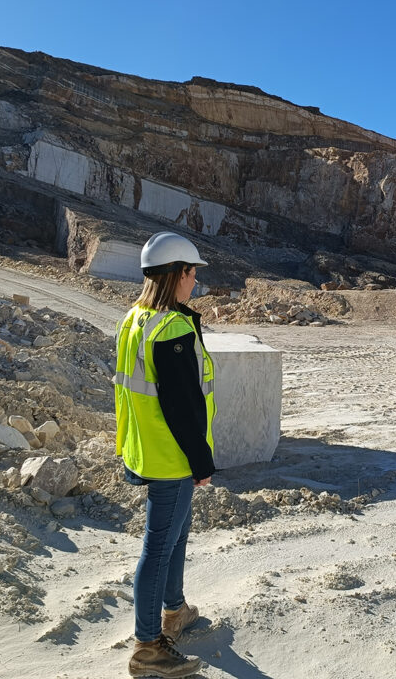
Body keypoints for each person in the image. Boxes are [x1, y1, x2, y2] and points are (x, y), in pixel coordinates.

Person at [114, 231, 216, 679]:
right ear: (177, 274)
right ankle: (147, 647)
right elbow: (181, 404)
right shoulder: (171, 328)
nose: (195, 282)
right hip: (170, 454)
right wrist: (201, 461)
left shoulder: (135, 318)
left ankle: (174, 610)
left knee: (174, 535)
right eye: (192, 273)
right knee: (158, 547)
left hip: (146, 447)